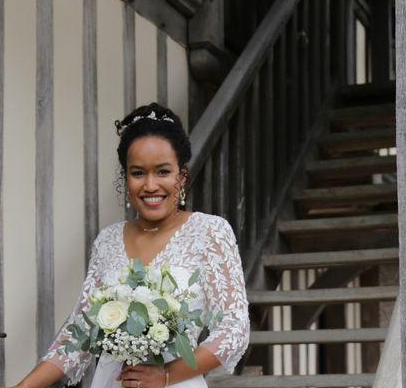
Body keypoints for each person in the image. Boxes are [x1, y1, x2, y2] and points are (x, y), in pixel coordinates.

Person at [13, 103, 249, 388]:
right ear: (126, 178)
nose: (150, 185)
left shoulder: (210, 232)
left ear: (181, 176)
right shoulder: (107, 241)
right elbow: (79, 334)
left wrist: (165, 375)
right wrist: (22, 387)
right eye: (138, 173)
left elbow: (234, 329)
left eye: (163, 172)